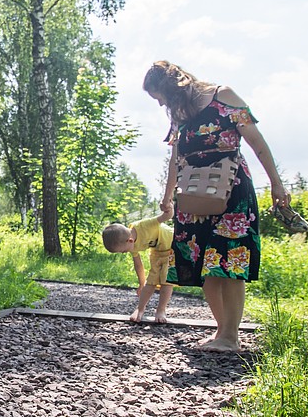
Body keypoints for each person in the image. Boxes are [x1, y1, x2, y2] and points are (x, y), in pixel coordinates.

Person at [143, 60, 290, 353]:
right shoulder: (180, 114)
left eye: (159, 97)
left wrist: (276, 183)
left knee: (230, 260)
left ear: (171, 87)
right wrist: (167, 196)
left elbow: (256, 141)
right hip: (194, 196)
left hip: (232, 191)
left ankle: (230, 336)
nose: (161, 105)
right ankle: (223, 332)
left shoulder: (225, 96)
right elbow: (175, 159)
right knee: (205, 265)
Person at [101, 212, 176, 324]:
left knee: (166, 280)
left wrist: (167, 206)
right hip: (157, 251)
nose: (124, 253)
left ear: (130, 241)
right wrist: (142, 283)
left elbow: (167, 216)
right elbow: (138, 264)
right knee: (151, 281)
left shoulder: (144, 225)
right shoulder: (130, 243)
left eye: (124, 251)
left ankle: (161, 310)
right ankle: (140, 309)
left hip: (173, 246)